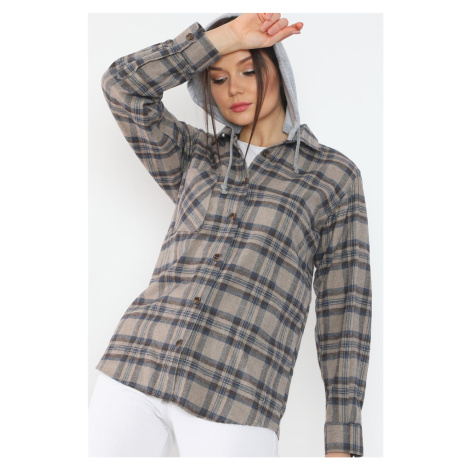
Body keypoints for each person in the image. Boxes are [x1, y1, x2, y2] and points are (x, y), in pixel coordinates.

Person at [89, 13, 372, 458]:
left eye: (248, 71)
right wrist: (224, 37)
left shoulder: (332, 176)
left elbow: (345, 309)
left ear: (280, 71)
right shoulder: (194, 154)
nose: (233, 89)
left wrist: (342, 439)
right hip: (137, 363)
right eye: (218, 79)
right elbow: (121, 86)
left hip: (239, 393)